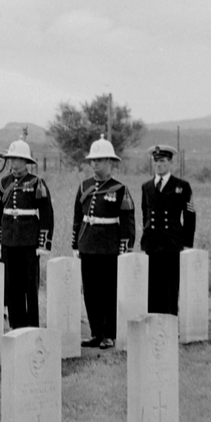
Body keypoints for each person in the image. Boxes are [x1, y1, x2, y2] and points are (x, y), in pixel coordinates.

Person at [72, 138, 136, 349]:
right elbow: (77, 218)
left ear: (110, 162)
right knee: (90, 291)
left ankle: (109, 334)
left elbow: (127, 222)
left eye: (99, 160)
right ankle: (95, 332)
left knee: (108, 291)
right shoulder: (84, 187)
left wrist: (124, 250)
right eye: (93, 160)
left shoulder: (119, 189)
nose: (95, 164)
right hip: (88, 244)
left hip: (109, 247)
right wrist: (75, 245)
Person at [0, 139, 53, 329]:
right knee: (12, 285)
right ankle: (16, 324)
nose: (13, 162)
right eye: (11, 158)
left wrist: (43, 243)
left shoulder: (36, 182)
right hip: (9, 239)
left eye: (17, 159)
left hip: (29, 240)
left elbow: (46, 214)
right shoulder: (3, 183)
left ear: (26, 161)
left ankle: (31, 325)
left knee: (30, 286)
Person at [140, 144, 196, 316]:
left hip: (172, 242)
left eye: (163, 161)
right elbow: (145, 214)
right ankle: (153, 320)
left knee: (171, 285)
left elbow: (189, 216)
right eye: (156, 161)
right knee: (152, 284)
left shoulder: (181, 186)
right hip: (152, 243)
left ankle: (171, 320)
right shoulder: (147, 187)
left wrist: (187, 243)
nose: (159, 165)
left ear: (171, 163)